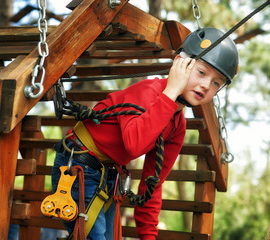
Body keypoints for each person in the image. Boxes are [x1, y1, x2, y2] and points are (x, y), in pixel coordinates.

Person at [51, 27, 239, 240]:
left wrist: (148, 236)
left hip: (107, 176)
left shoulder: (177, 125)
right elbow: (135, 144)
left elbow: (153, 182)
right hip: (79, 167)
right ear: (180, 64)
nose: (206, 85)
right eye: (202, 72)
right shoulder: (147, 93)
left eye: (216, 83)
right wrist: (171, 92)